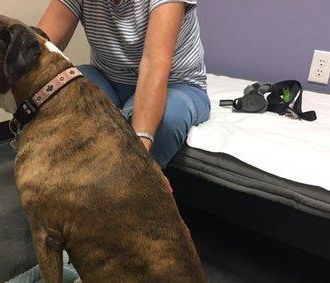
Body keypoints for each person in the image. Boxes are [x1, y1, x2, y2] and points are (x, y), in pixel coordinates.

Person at [38, 0, 210, 169]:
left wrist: (138, 159)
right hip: (108, 78)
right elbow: (41, 51)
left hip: (175, 84)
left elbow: (153, 64)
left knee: (167, 120)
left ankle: (139, 189)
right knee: (68, 89)